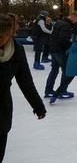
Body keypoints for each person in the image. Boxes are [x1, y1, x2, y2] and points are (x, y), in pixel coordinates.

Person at [0, 14, 46, 162]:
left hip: (1, 109)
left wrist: (38, 106)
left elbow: (25, 81)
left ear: (10, 34)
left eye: (1, 36)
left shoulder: (17, 51)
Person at [44, 12, 77, 99]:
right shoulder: (66, 25)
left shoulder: (59, 22)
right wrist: (71, 46)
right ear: (73, 17)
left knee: (54, 70)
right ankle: (62, 91)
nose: (76, 22)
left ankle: (48, 91)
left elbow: (54, 36)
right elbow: (63, 39)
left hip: (53, 49)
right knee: (66, 70)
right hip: (60, 50)